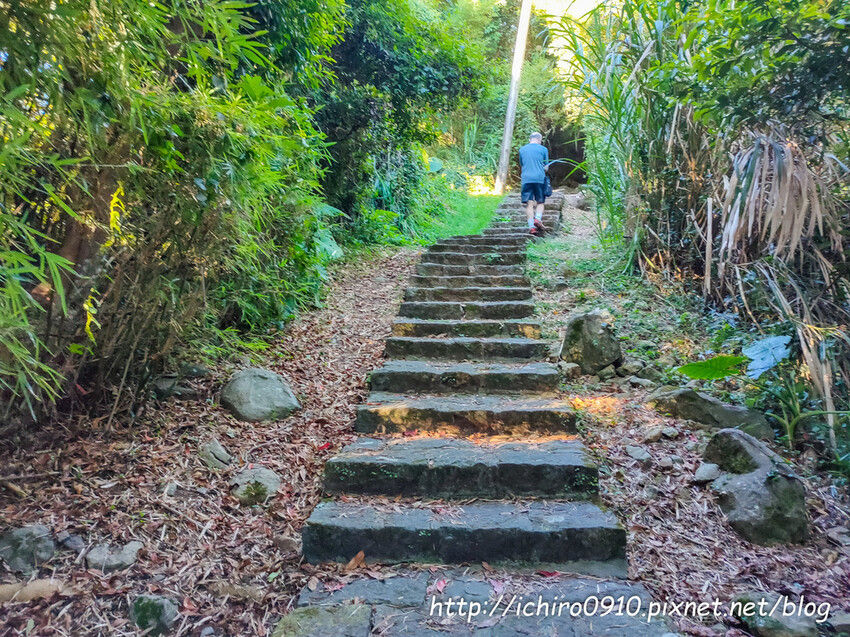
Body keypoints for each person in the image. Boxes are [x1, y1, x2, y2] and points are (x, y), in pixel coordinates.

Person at [518, 132, 549, 235]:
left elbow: (522, 164)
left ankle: (531, 227)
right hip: (539, 178)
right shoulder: (543, 149)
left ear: (529, 139)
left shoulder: (522, 149)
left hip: (526, 179)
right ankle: (538, 219)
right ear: (539, 140)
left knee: (529, 203)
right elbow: (546, 167)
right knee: (540, 202)